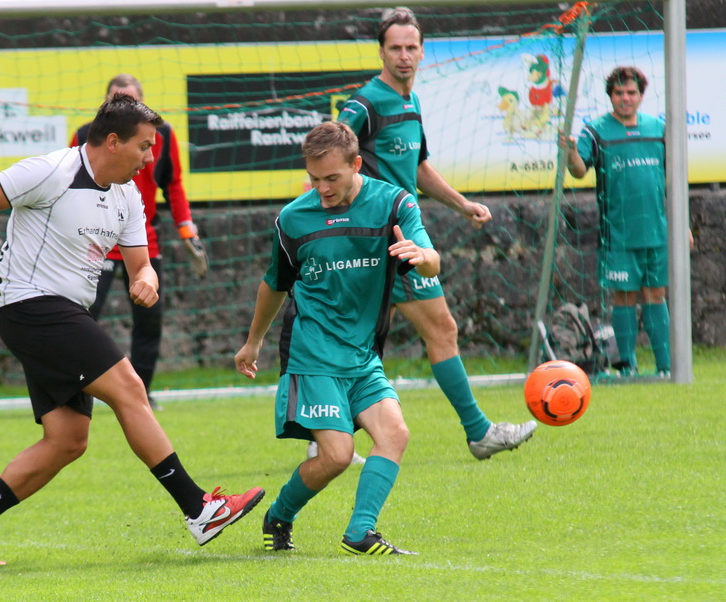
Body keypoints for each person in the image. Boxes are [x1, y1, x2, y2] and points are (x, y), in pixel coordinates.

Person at [0, 94, 263, 565]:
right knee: (130, 387)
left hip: (62, 313)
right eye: (144, 147)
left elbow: (141, 265)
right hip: (30, 305)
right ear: (112, 142)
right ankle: (200, 509)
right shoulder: (51, 171)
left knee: (67, 440)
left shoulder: (129, 195)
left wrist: (147, 281)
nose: (149, 158)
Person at [328, 7, 536, 461]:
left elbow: (418, 168)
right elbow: (330, 154)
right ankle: (478, 432)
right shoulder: (365, 104)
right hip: (384, 238)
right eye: (395, 48)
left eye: (411, 47)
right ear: (381, 52)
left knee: (362, 340)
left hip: (402, 230)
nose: (403, 56)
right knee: (439, 328)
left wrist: (461, 204)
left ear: (423, 52)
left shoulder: (412, 103)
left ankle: (322, 439)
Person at [235, 121, 437, 555]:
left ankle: (360, 532)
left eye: (331, 178)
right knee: (337, 455)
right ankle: (279, 515)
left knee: (395, 433)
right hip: (313, 354)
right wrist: (253, 342)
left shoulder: (393, 204)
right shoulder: (293, 219)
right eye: (314, 178)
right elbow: (275, 284)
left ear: (356, 164)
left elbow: (431, 257)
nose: (322, 188)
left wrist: (422, 256)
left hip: (362, 356)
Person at [71, 73, 208, 411]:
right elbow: (69, 188)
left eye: (131, 100)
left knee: (150, 318)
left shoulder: (163, 135)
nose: (124, 106)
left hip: (143, 243)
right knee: (80, 318)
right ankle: (76, 389)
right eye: (116, 100)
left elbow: (173, 184)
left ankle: (141, 393)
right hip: (96, 244)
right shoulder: (85, 136)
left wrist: (187, 230)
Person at [560, 66, 692, 376]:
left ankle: (666, 368)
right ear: (610, 96)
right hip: (617, 234)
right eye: (619, 93)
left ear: (641, 95)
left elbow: (673, 181)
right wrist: (570, 152)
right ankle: (627, 368)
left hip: (657, 232)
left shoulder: (659, 129)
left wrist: (682, 223)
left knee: (656, 294)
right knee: (625, 297)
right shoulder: (595, 131)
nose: (625, 98)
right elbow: (578, 170)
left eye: (631, 92)